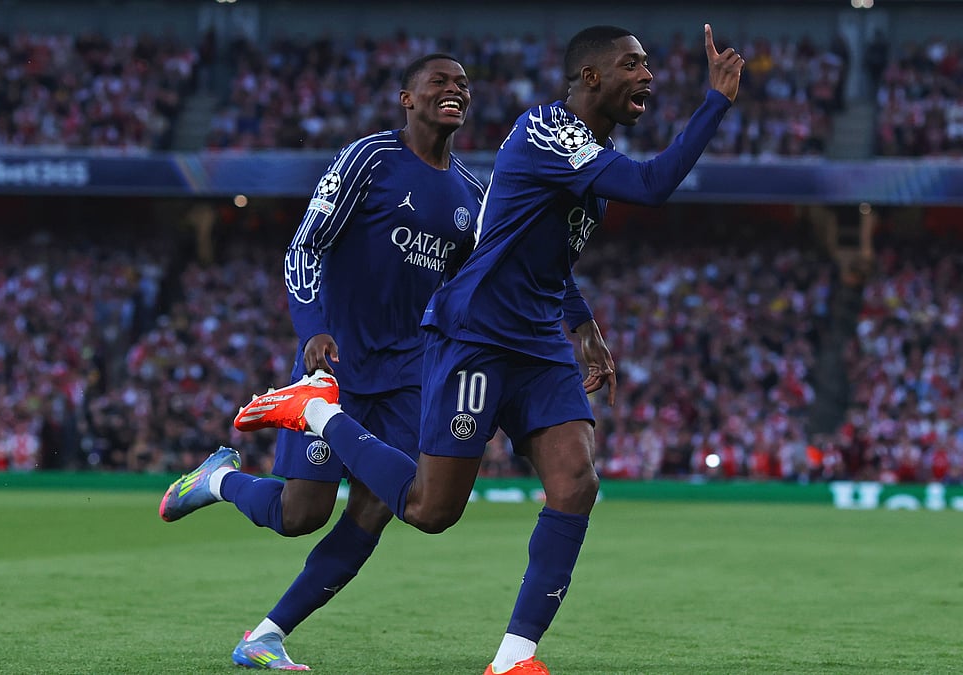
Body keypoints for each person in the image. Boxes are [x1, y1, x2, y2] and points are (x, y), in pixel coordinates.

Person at [235, 23, 744, 674]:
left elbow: (545, 255)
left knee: (576, 480)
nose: (648, 76)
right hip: (473, 334)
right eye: (633, 64)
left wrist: (584, 327)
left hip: (530, 338)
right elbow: (651, 187)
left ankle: (514, 657)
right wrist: (716, 102)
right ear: (591, 76)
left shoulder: (577, 152)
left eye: (648, 65)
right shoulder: (545, 130)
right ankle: (311, 414)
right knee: (421, 509)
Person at [158, 53, 485, 671]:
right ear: (406, 98)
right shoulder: (368, 159)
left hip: (412, 374)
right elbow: (305, 244)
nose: (454, 90)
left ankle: (266, 636)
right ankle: (218, 481)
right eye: (439, 81)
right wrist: (313, 330)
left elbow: (472, 289)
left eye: (463, 85)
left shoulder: (472, 194)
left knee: (379, 505)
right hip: (336, 362)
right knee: (299, 515)